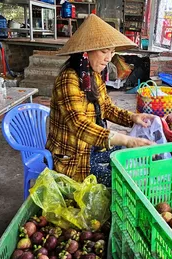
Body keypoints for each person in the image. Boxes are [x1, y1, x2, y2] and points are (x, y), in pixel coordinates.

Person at [46, 14, 155, 186]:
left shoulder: (93, 76)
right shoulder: (68, 80)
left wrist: (133, 118)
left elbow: (107, 108)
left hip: (92, 148)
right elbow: (79, 125)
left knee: (127, 155)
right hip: (74, 158)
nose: (109, 58)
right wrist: (126, 139)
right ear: (85, 51)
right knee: (120, 182)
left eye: (112, 52)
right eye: (104, 51)